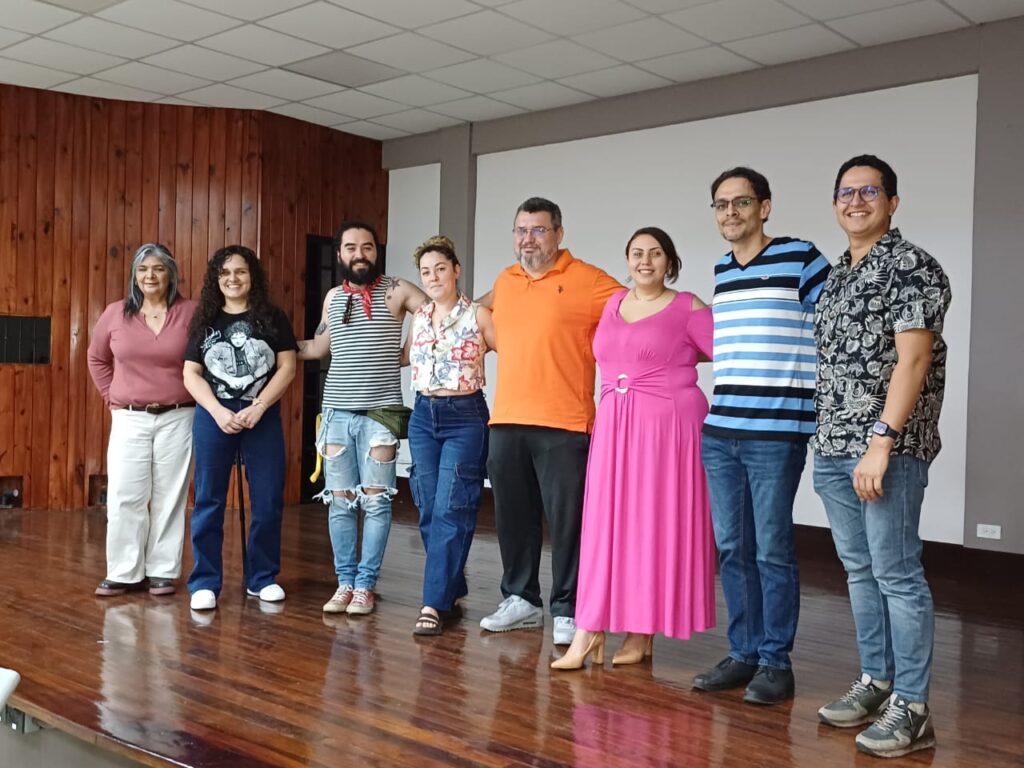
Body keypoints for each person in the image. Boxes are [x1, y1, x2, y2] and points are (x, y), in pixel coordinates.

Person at [813, 155, 950, 758]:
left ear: (892, 202)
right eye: (846, 191)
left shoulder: (913, 267)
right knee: (861, 571)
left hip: (885, 451)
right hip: (833, 447)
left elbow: (913, 360)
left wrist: (880, 442)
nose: (856, 200)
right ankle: (877, 680)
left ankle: (914, 708)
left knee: (897, 574)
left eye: (870, 190)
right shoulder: (838, 276)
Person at [694, 167, 831, 704]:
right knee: (732, 548)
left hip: (776, 433)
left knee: (772, 550)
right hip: (721, 431)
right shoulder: (722, 269)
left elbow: (838, 325)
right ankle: (744, 652)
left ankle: (777, 662)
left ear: (765, 207)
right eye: (721, 204)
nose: (731, 212)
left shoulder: (800, 256)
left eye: (742, 202)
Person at [551, 227, 715, 670]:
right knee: (608, 525)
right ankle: (593, 627)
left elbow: (726, 351)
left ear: (670, 262)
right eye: (637, 253)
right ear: (627, 260)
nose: (646, 261)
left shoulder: (687, 306)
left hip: (667, 426)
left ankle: (638, 634)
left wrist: (667, 372)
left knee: (652, 525)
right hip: (614, 426)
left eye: (656, 253)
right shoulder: (612, 304)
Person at [479, 197, 621, 646]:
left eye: (538, 230)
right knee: (514, 517)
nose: (528, 239)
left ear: (559, 234)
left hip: (565, 424)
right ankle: (521, 599)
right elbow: (470, 314)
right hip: (506, 420)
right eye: (521, 230)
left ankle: (568, 607)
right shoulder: (506, 280)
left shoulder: (591, 281)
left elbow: (640, 308)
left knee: (568, 522)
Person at [298, 220, 426, 616]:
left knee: (375, 503)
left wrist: (407, 352)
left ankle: (366, 586)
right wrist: (274, 345)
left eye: (367, 247)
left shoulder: (398, 289)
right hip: (336, 412)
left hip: (380, 414)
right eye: (351, 247)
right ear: (340, 254)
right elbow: (319, 347)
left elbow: (438, 313)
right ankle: (345, 583)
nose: (359, 254)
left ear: (377, 252)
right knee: (340, 503)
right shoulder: (333, 297)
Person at [183, 245, 297, 612]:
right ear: (216, 279)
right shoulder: (205, 320)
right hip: (214, 416)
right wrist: (217, 411)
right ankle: (205, 582)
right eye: (225, 273)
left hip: (261, 417)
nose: (233, 279)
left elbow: (287, 367)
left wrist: (260, 406)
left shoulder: (273, 317)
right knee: (208, 500)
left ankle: (262, 578)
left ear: (253, 277)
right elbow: (191, 373)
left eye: (241, 271)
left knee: (266, 499)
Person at [87, 243, 196, 597]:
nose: (150, 276)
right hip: (129, 418)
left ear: (171, 274)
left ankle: (162, 571)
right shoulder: (116, 313)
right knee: (124, 494)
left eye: (159, 269)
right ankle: (124, 571)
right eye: (143, 269)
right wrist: (111, 398)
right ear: (134, 275)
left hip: (179, 415)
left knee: (170, 495)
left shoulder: (190, 312)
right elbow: (96, 359)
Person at [404, 235, 495, 636]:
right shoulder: (420, 316)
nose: (434, 276)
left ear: (456, 270)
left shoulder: (479, 315)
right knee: (426, 504)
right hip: (423, 415)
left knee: (451, 507)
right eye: (426, 271)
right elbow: (405, 355)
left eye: (441, 268)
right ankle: (451, 585)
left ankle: (432, 603)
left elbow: (514, 352)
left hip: (465, 415)